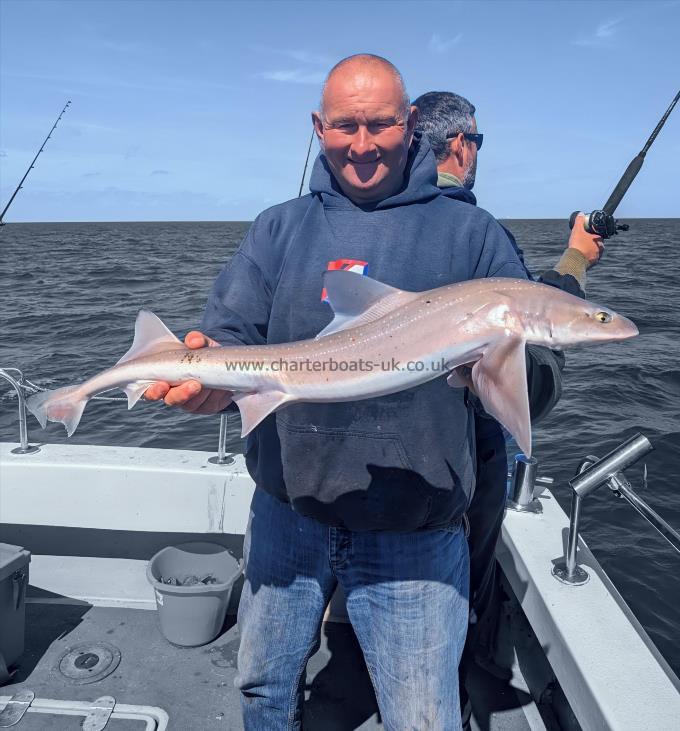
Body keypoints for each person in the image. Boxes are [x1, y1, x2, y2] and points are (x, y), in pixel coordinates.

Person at [145, 55, 563, 731]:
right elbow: (229, 333)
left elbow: (535, 390)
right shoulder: (278, 228)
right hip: (289, 510)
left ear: (411, 123)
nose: (362, 143)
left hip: (416, 526)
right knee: (261, 687)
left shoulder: (473, 236)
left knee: (422, 715)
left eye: (379, 124)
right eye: (345, 125)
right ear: (318, 126)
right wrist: (207, 382)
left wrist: (491, 368)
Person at [413, 90, 603, 728]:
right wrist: (574, 267)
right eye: (479, 143)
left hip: (353, 474)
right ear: (461, 146)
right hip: (453, 473)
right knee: (457, 601)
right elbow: (533, 375)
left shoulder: (361, 224)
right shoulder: (477, 235)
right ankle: (462, 697)